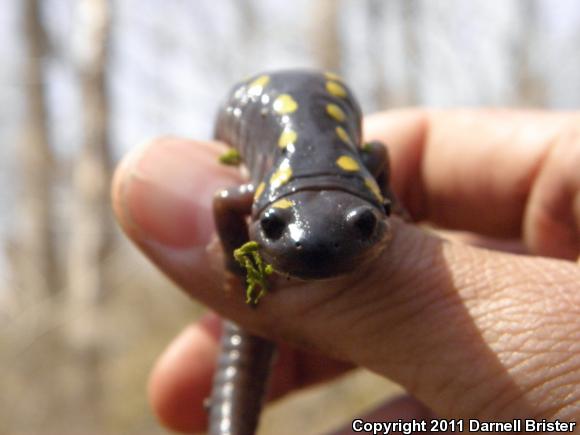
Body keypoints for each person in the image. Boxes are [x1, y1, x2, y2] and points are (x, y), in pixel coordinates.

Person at [112, 109, 580, 434]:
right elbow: (225, 198)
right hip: (264, 137)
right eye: (271, 226)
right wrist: (238, 258)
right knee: (246, 330)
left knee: (247, 330)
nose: (313, 252)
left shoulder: (358, 170)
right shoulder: (289, 180)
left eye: (363, 224)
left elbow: (375, 155)